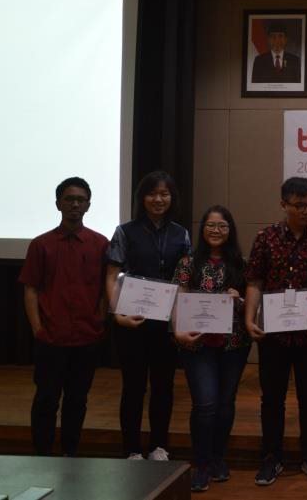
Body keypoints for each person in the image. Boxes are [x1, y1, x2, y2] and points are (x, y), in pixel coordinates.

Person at [243, 176, 307, 485]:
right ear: (284, 205)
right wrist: (249, 318)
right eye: (300, 206)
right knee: (272, 398)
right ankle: (271, 457)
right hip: (274, 334)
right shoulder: (266, 238)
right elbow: (255, 280)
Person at [19, 176, 109, 457]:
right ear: (58, 204)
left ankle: (70, 453)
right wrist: (37, 329)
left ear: (89, 205)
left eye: (80, 200)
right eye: (69, 199)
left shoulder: (100, 244)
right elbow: (31, 289)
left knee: (77, 400)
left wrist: (99, 320)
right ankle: (43, 455)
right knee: (46, 400)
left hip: (86, 337)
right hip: (51, 338)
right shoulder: (41, 245)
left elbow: (106, 288)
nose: (75, 204)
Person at [106, 170, 191, 461]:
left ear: (172, 198)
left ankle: (159, 446)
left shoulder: (181, 234)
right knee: (133, 387)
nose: (158, 199)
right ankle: (131, 448)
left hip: (164, 324)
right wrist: (117, 314)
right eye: (152, 194)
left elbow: (183, 281)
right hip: (131, 321)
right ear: (142, 198)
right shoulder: (125, 231)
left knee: (163, 387)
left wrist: (178, 321)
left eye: (164, 194)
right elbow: (111, 274)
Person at [173, 205, 251, 492]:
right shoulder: (187, 263)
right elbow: (177, 299)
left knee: (226, 403)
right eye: (211, 225)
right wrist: (178, 330)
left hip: (234, 344)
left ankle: (218, 458)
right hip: (198, 344)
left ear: (230, 230)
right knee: (205, 404)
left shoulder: (242, 264)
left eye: (222, 226)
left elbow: (252, 304)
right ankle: (201, 463)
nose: (216, 230)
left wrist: (239, 299)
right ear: (202, 228)